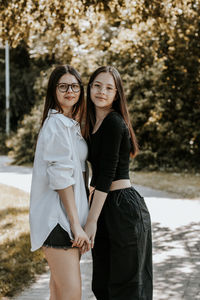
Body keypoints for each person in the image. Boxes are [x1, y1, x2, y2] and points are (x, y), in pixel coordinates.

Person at [83, 66, 153, 300]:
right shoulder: (90, 123)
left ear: (117, 94)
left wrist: (90, 221)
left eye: (109, 88)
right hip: (103, 206)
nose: (102, 91)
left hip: (124, 209)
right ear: (89, 88)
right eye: (97, 85)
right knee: (102, 284)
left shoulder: (114, 123)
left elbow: (106, 175)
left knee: (127, 287)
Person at [29, 65, 90, 300]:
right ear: (53, 90)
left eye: (74, 86)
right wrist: (75, 225)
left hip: (67, 221)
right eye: (63, 86)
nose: (69, 91)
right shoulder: (56, 125)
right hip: (59, 222)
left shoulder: (68, 124)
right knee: (71, 294)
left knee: (59, 293)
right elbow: (61, 179)